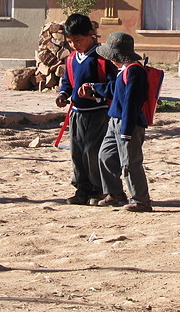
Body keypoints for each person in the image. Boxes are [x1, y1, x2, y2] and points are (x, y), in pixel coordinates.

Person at [79, 32, 152, 212]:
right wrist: (95, 88)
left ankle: (141, 200)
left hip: (128, 124)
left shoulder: (134, 71)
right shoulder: (124, 70)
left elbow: (131, 104)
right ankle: (114, 193)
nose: (110, 60)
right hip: (115, 122)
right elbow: (114, 89)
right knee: (105, 155)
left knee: (130, 162)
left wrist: (126, 131)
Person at [56, 14, 117, 205]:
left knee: (92, 151)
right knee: (77, 151)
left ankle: (97, 189)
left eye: (78, 40)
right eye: (70, 42)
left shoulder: (103, 58)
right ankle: (81, 189)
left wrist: (94, 92)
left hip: (99, 112)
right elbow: (67, 82)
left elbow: (112, 85)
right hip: (77, 113)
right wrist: (63, 94)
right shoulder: (71, 59)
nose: (74, 45)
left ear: (91, 35)